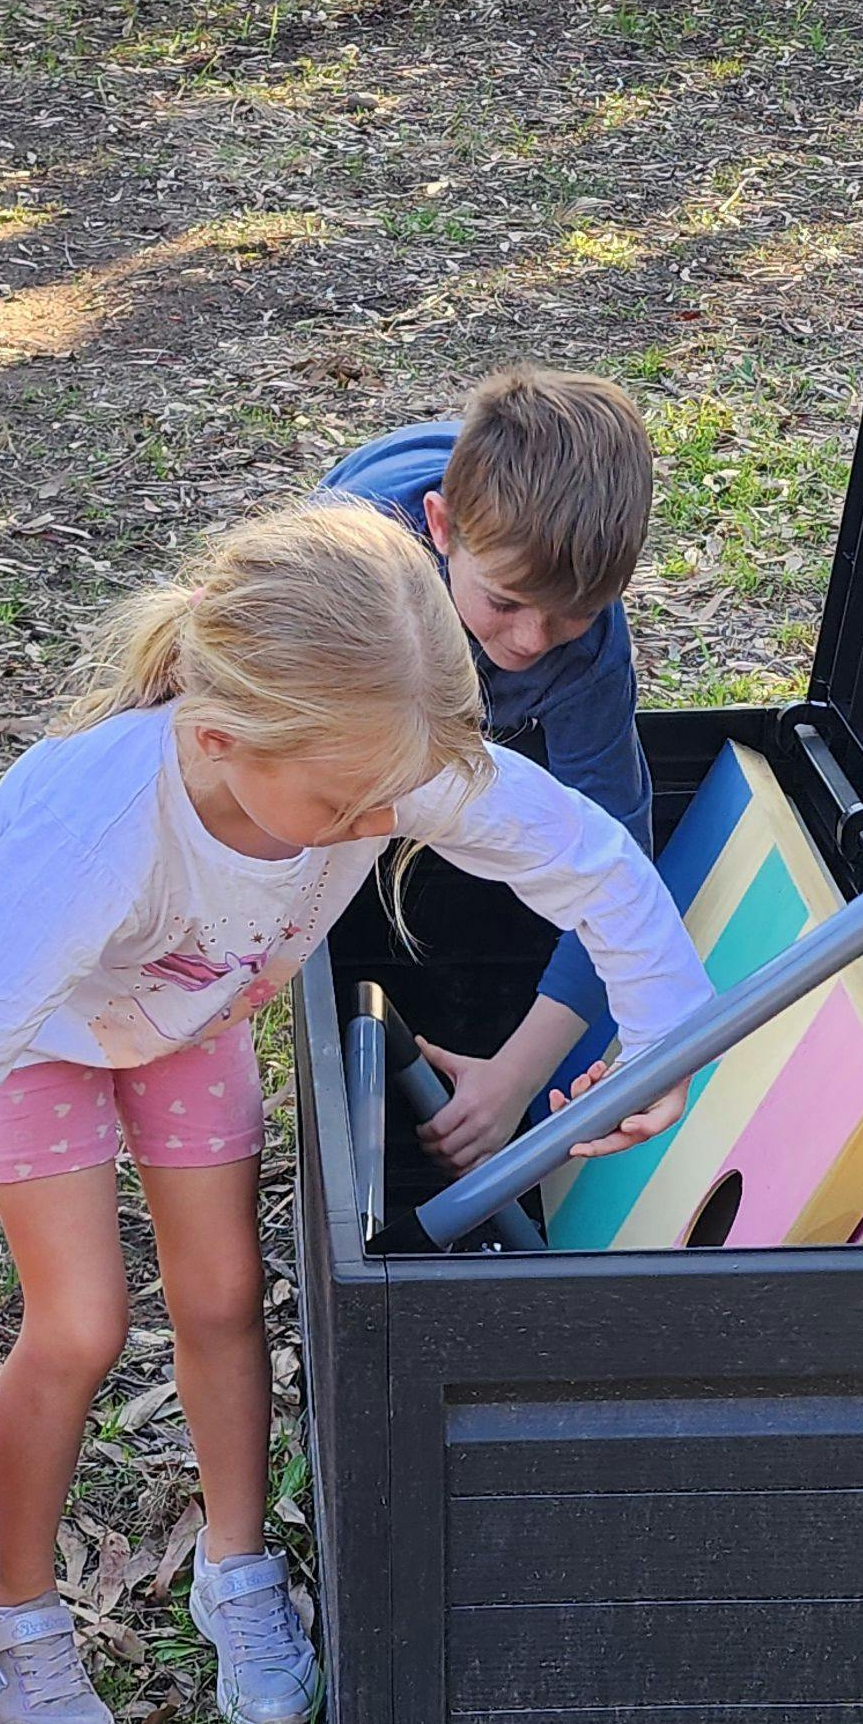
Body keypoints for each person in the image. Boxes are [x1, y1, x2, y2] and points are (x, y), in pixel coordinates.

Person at [0, 500, 714, 1724]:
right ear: (221, 738)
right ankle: (12, 1610)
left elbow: (588, 859)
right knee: (81, 1325)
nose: (377, 825)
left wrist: (666, 1027)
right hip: (43, 1039)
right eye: (346, 806)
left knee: (226, 1297)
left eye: (391, 803)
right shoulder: (96, 832)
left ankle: (235, 1566)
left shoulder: (375, 758)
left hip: (189, 1018)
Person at [320, 366, 659, 1173]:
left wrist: (516, 1076)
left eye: (571, 613)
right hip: (366, 617)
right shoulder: (344, 571)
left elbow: (618, 859)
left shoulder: (587, 649)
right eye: (506, 603)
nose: (534, 640)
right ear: (443, 528)